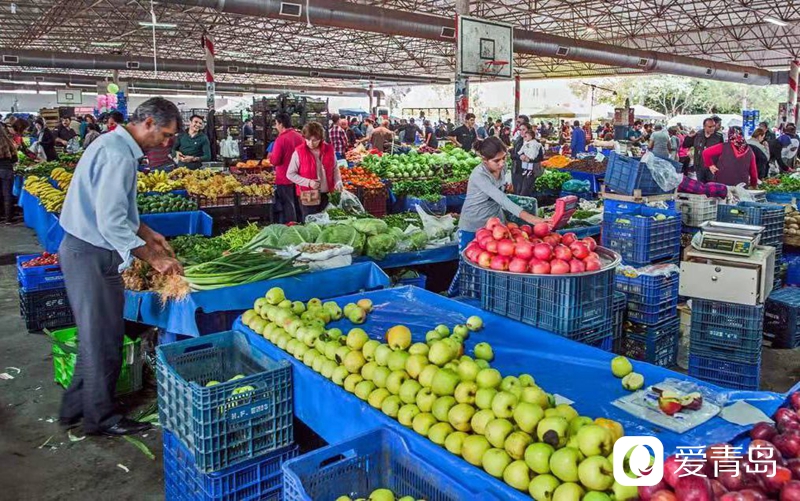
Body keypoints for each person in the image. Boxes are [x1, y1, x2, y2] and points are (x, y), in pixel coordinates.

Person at [58, 97, 183, 436]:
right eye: (165, 135)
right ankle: (101, 418)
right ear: (148, 123)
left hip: (85, 250)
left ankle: (74, 408)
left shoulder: (115, 146)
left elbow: (118, 210)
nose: (166, 143)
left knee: (95, 335)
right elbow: (111, 221)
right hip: (91, 254)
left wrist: (147, 233)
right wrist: (155, 258)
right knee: (104, 340)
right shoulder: (118, 156)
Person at [458, 136, 544, 246]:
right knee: (471, 254)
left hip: (495, 225)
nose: (502, 163)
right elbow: (501, 199)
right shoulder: (479, 175)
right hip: (474, 225)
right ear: (484, 160)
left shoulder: (502, 167)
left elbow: (501, 190)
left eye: (504, 158)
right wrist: (532, 219)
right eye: (496, 161)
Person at [286, 122, 343, 220]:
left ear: (321, 138)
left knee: (327, 222)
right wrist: (308, 182)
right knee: (311, 222)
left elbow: (335, 168)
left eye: (314, 140)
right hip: (308, 195)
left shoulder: (329, 150)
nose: (310, 143)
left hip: (327, 194)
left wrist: (338, 180)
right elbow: (290, 174)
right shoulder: (298, 152)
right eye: (308, 139)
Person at [269, 112, 304, 223]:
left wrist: (270, 157)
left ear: (281, 124)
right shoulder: (299, 137)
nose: (276, 127)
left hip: (284, 177)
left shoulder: (281, 139)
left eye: (276, 124)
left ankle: (291, 226)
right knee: (298, 203)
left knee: (288, 205)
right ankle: (301, 224)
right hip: (298, 177)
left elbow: (275, 160)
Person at [684, 118, 724, 182]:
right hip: (699, 167)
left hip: (712, 167)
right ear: (704, 126)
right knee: (701, 185)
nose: (712, 128)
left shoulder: (719, 136)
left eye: (714, 126)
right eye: (710, 127)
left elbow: (722, 152)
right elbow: (686, 145)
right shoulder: (697, 135)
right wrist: (689, 137)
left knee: (712, 185)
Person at [514, 124, 544, 197]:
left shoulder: (536, 143)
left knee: (524, 191)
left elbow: (540, 157)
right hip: (518, 170)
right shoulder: (518, 141)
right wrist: (520, 156)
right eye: (520, 130)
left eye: (524, 129)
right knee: (518, 190)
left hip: (531, 171)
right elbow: (513, 155)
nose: (522, 132)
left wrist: (529, 159)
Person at [0, 124, 17, 224]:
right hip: (6, 170)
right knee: (7, 194)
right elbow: (15, 158)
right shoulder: (7, 141)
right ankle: (8, 218)